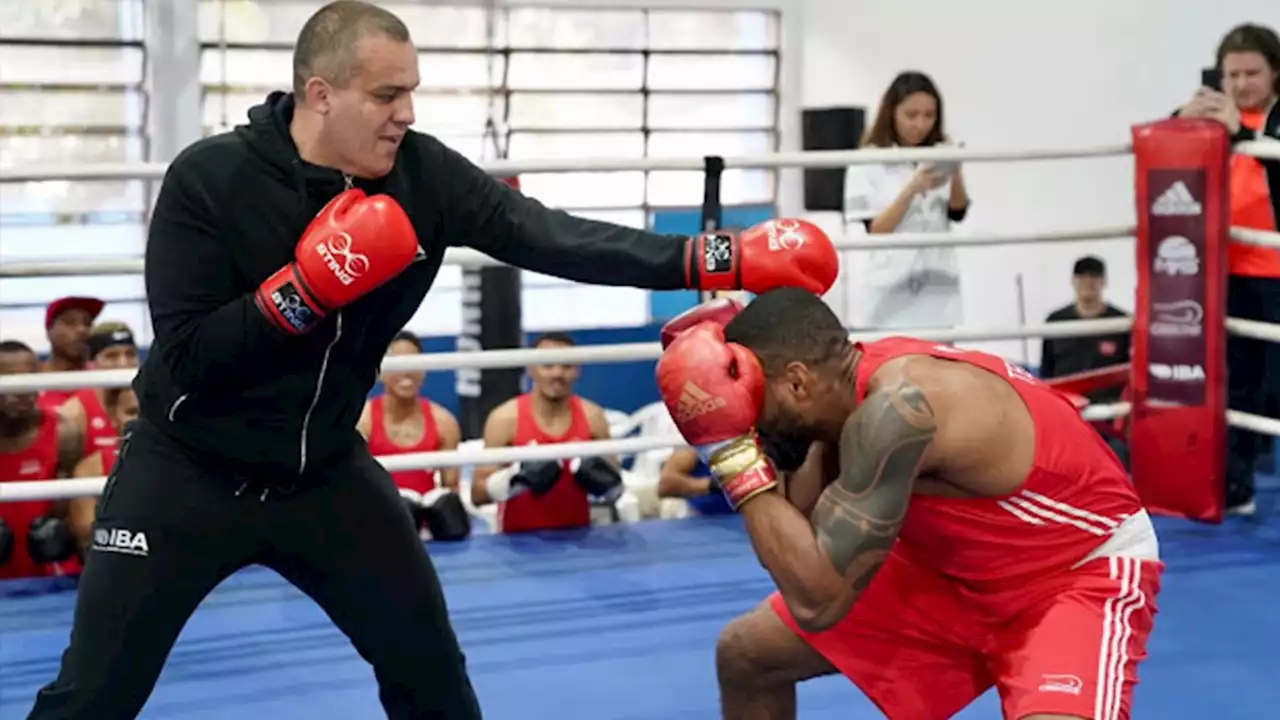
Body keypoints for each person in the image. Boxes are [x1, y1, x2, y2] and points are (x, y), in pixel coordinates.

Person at [24, 1, 838, 717]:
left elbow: (550, 235)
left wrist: (713, 257)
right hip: (186, 473)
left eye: (411, 91)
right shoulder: (210, 181)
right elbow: (192, 354)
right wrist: (305, 290)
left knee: (432, 678)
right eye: (386, 95)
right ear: (320, 94)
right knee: (94, 695)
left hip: (323, 475)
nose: (405, 113)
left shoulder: (423, 176)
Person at [655, 289, 1161, 720]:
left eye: (754, 403)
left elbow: (818, 601)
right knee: (747, 655)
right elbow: (804, 536)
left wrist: (729, 452)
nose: (749, 420)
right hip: (952, 570)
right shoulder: (831, 402)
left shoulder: (898, 410)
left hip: (1071, 574)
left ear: (797, 382)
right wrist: (771, 446)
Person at [1174, 22, 1280, 515]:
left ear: (1274, 72)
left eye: (1251, 73)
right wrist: (1182, 119)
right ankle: (1236, 485)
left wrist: (1244, 133)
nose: (1240, 84)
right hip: (1226, 268)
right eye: (1231, 74)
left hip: (1274, 269)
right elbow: (1166, 157)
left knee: (1271, 383)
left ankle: (1256, 462)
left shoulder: (1275, 117)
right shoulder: (1218, 112)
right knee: (1235, 381)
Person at [842, 71, 971, 330]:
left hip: (938, 286)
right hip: (891, 288)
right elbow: (877, 230)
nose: (920, 124)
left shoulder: (937, 152)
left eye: (929, 115)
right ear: (892, 113)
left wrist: (955, 169)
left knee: (940, 362)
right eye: (911, 115)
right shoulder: (868, 161)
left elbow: (957, 212)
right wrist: (912, 188)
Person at [471, 333, 624, 533]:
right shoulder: (505, 419)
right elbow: (477, 495)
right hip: (516, 542)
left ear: (577, 370)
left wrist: (599, 476)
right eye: (547, 365)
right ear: (531, 369)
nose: (557, 373)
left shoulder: (592, 417)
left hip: (580, 539)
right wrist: (514, 478)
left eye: (567, 366)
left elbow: (615, 488)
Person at [357, 329, 468, 540]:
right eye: (397, 362)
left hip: (428, 534)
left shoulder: (444, 422)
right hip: (376, 531)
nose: (406, 371)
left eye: (412, 362)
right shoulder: (364, 421)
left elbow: (451, 489)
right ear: (380, 371)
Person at [0, 341, 87, 581]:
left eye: (27, 378)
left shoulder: (64, 432)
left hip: (52, 581)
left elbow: (78, 512)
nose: (20, 390)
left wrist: (65, 530)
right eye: (8, 379)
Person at [1040, 256, 1131, 398]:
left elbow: (1130, 373)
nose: (1087, 282)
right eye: (1081, 276)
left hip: (1109, 410)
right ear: (1072, 281)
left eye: (1093, 276)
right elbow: (1046, 371)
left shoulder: (1122, 323)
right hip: (1066, 406)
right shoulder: (1055, 321)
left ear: (1104, 282)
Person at [53, 322, 142, 459]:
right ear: (92, 363)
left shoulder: (152, 403)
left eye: (130, 354)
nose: (123, 364)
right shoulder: (74, 413)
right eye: (111, 356)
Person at [70, 386, 140, 558]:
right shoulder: (90, 469)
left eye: (148, 412)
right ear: (113, 417)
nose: (141, 421)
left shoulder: (181, 464)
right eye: (132, 412)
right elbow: (89, 540)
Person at [35, 296, 104, 410]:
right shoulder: (31, 380)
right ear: (49, 331)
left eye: (87, 323)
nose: (81, 330)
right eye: (69, 322)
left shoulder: (103, 378)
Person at [657, 447, 734, 516]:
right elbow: (665, 486)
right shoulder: (691, 450)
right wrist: (712, 484)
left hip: (737, 515)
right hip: (699, 516)